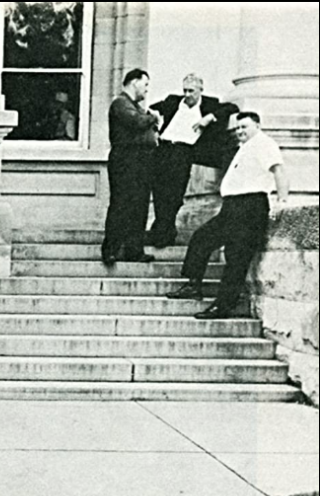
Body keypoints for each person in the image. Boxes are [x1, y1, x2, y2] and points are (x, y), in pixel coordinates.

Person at [166, 112, 289, 320]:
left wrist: (282, 202)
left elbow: (279, 171)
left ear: (257, 126)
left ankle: (223, 306)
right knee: (202, 238)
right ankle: (193, 285)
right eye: (238, 128)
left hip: (250, 207)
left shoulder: (264, 143)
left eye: (245, 127)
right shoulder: (244, 147)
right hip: (232, 207)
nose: (240, 131)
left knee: (237, 258)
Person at [147, 74, 239, 248]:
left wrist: (209, 117)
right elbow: (151, 109)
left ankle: (163, 231)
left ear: (200, 90)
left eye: (191, 91)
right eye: (185, 91)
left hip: (184, 151)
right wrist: (156, 124)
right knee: (159, 190)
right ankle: (163, 229)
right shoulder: (173, 101)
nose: (187, 95)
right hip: (164, 148)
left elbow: (231, 107)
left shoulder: (210, 104)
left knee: (174, 193)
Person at [102, 68, 160, 266]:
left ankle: (134, 250)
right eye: (145, 85)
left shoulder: (133, 105)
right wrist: (154, 117)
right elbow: (136, 123)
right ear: (134, 82)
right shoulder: (121, 103)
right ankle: (111, 250)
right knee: (121, 204)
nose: (146, 90)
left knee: (139, 207)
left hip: (141, 161)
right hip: (125, 160)